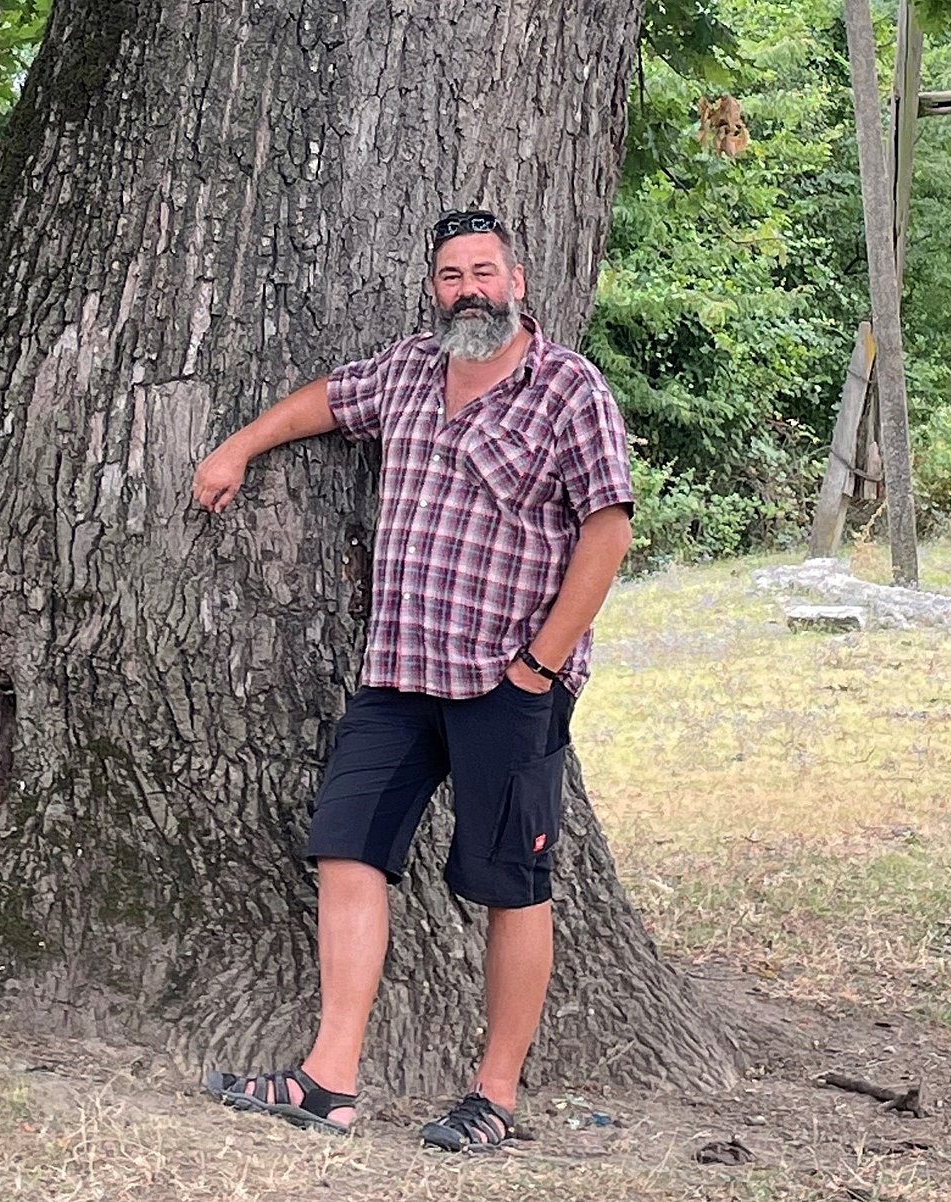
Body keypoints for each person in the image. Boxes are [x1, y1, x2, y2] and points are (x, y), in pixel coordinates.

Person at [191, 209, 635, 1152]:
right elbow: (323, 401)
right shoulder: (405, 371)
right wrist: (238, 445)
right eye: (449, 275)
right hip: (400, 671)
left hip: (509, 683)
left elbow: (609, 533)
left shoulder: (569, 391)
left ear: (519, 280)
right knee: (347, 846)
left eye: (484, 270)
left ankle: (494, 1096)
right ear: (433, 289)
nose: (468, 288)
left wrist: (537, 667)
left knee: (511, 883)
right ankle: (329, 1081)